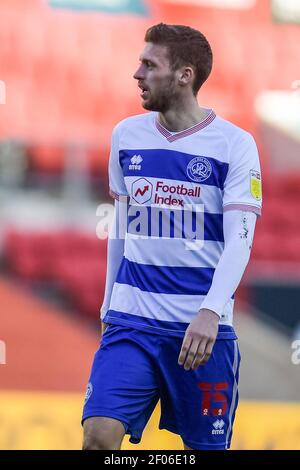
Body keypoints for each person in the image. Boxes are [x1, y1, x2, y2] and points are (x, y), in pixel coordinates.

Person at [82, 23, 262, 450]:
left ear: (184, 75)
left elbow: (241, 239)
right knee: (97, 439)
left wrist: (210, 313)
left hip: (199, 329)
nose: (137, 74)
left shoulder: (236, 146)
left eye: (149, 64)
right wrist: (110, 305)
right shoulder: (126, 136)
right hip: (132, 322)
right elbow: (121, 228)